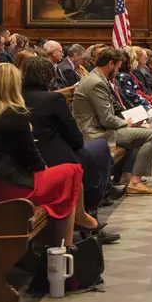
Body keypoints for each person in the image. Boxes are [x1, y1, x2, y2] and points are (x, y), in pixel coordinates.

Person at [0, 63, 98, 265]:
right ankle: (64, 251)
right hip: (11, 189)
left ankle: (68, 234)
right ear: (13, 87)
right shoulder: (15, 114)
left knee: (65, 178)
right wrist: (43, 170)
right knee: (72, 171)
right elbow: (33, 159)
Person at [20, 57, 123, 219]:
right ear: (50, 77)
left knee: (97, 152)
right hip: (56, 160)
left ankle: (98, 200)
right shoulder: (53, 99)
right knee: (101, 149)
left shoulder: (16, 99)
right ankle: (91, 210)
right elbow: (75, 138)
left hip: (27, 161)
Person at [72, 47, 152, 196]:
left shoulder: (99, 78)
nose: (118, 72)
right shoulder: (96, 83)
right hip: (95, 133)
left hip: (103, 128)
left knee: (145, 131)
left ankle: (126, 177)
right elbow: (106, 119)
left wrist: (133, 120)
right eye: (118, 67)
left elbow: (112, 110)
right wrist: (127, 123)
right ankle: (135, 182)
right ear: (110, 64)